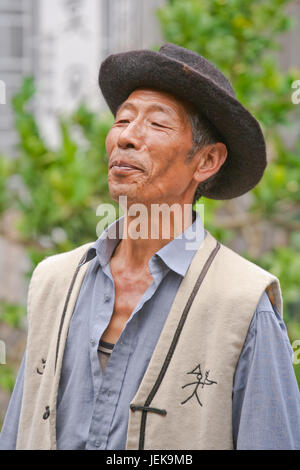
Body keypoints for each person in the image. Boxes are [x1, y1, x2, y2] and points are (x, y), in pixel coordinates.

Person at [1, 43, 300, 450]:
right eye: (123, 119)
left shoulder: (243, 306)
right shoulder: (53, 282)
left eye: (157, 125)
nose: (126, 137)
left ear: (207, 160)